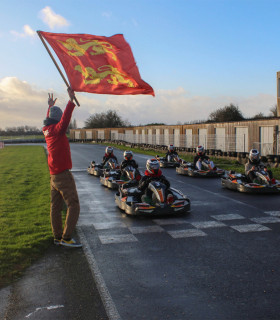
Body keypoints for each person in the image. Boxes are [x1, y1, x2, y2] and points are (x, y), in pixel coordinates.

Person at [42, 88, 82, 248]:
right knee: (74, 205)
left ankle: (57, 237)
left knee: (56, 207)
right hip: (63, 175)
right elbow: (64, 120)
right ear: (56, 121)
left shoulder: (46, 130)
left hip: (53, 176)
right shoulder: (58, 131)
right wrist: (70, 101)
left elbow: (51, 119)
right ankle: (66, 238)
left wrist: (50, 107)